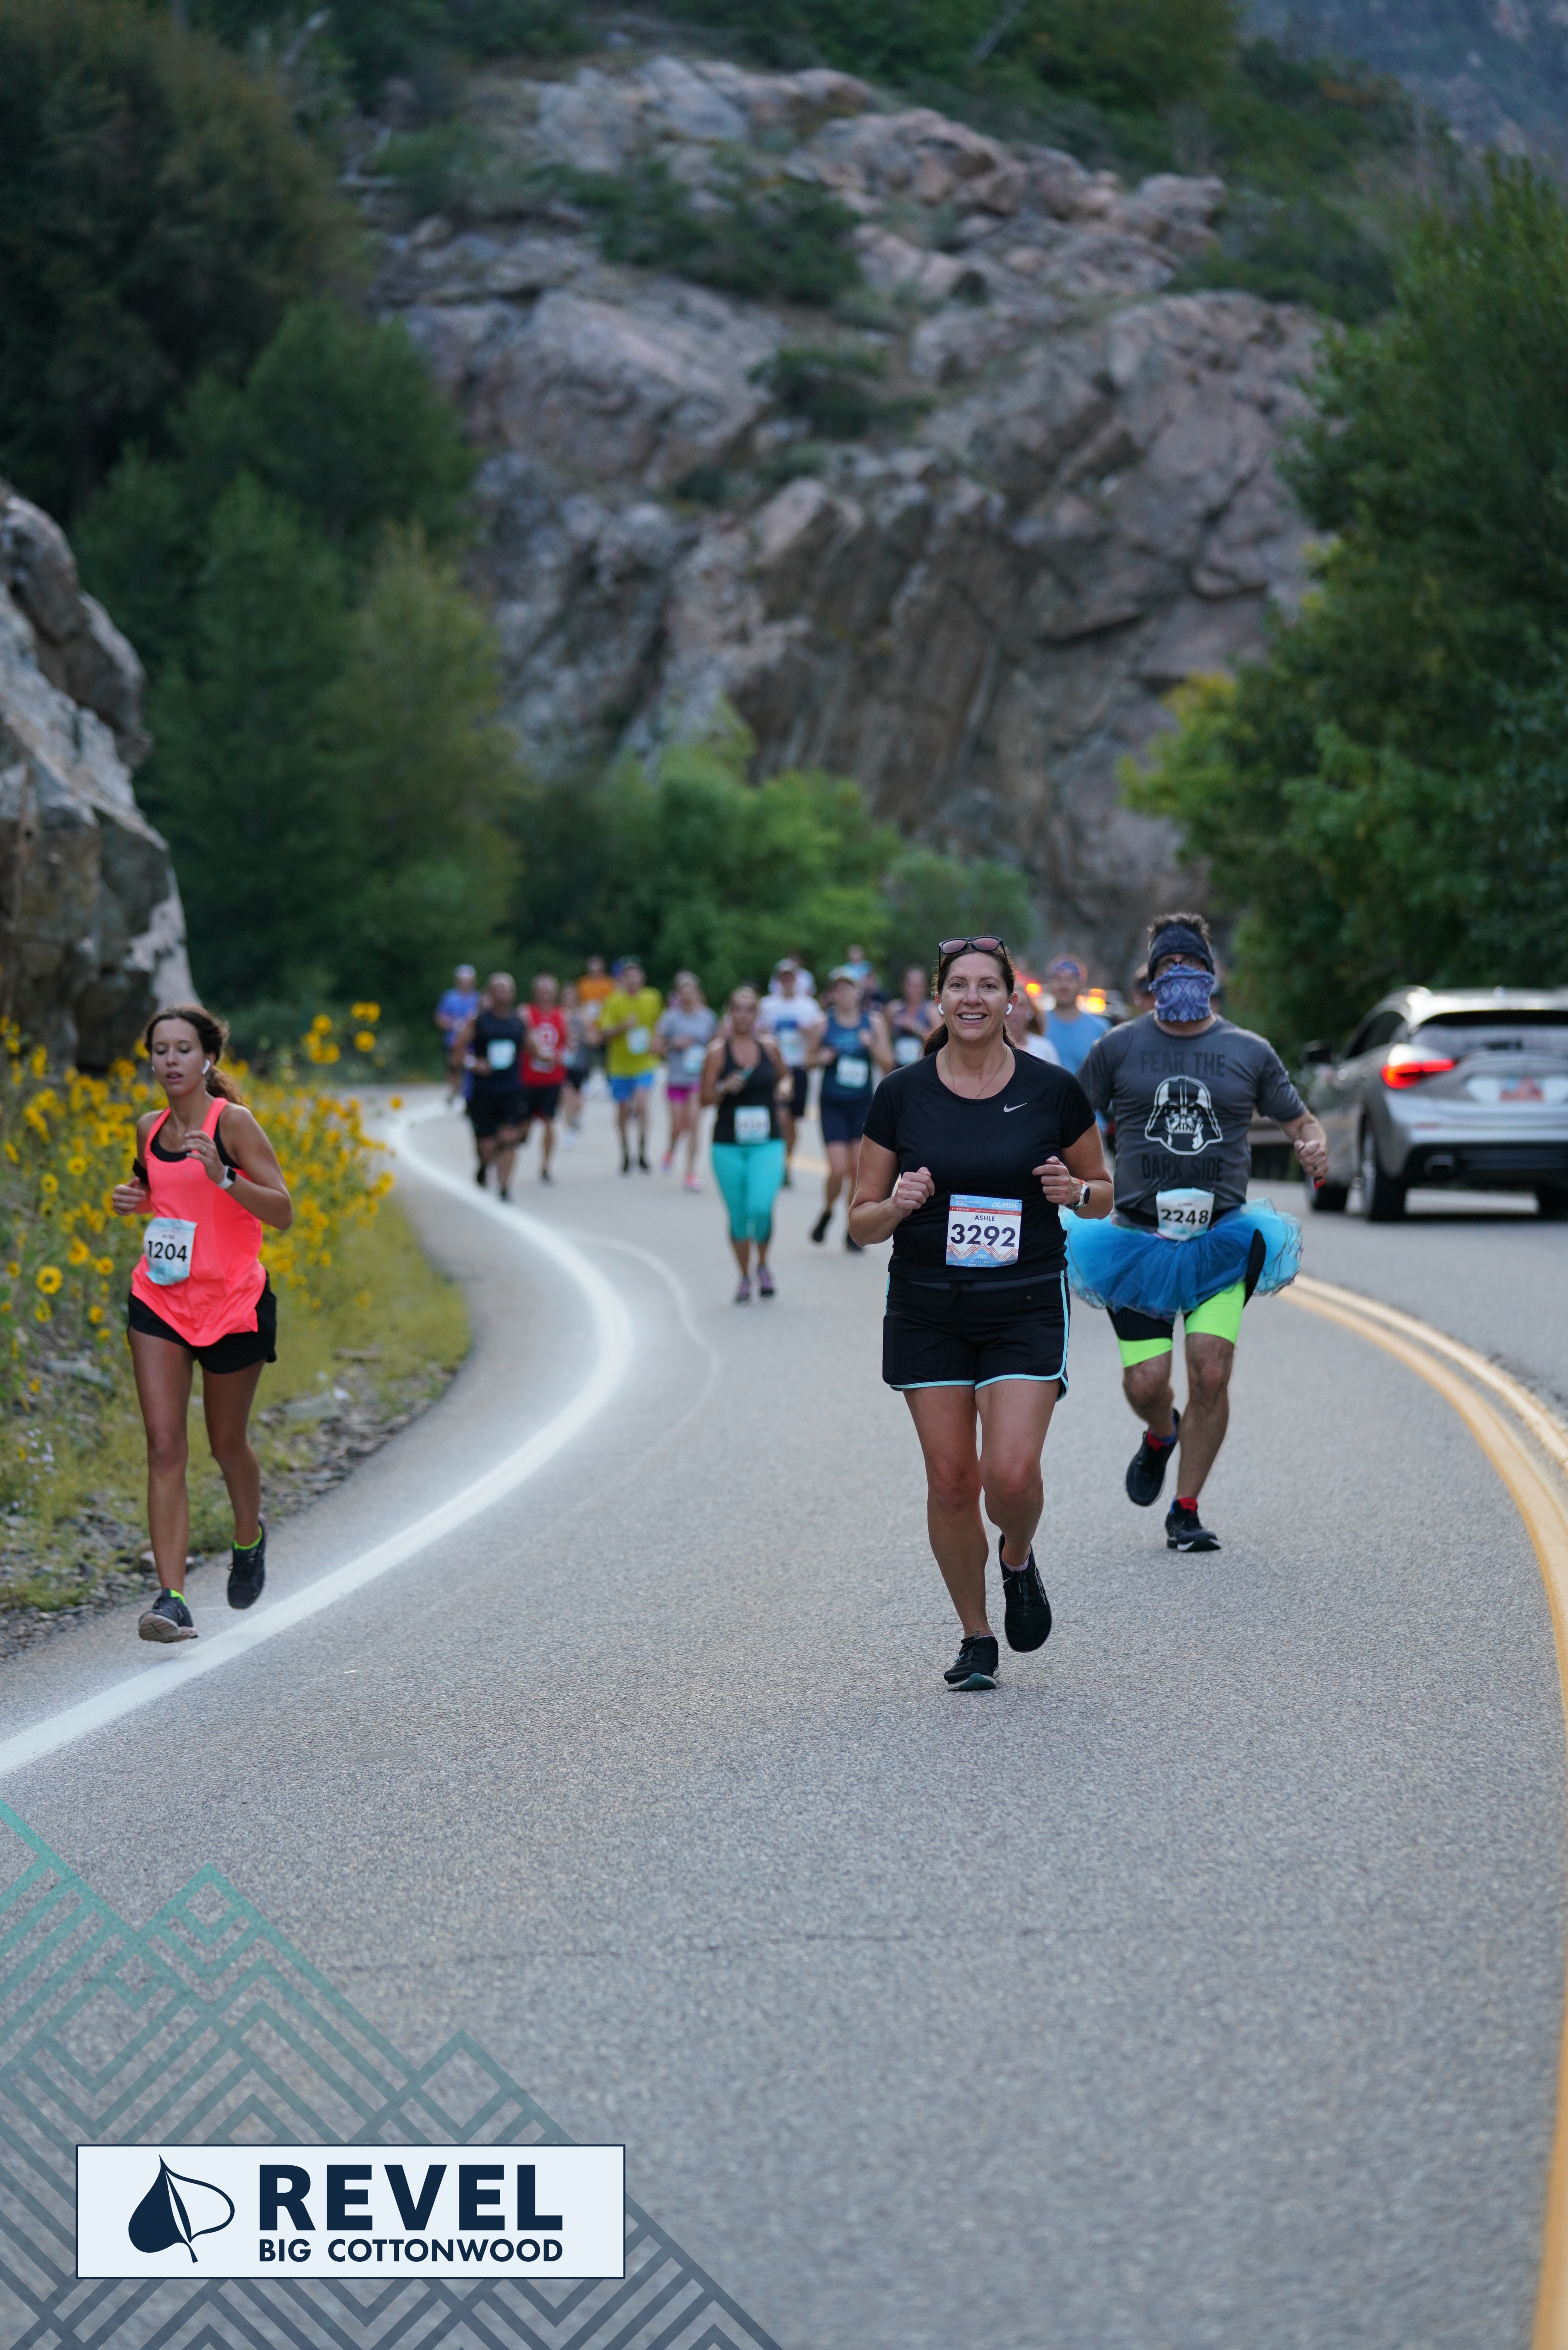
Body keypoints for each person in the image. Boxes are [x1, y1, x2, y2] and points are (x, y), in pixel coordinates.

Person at [849, 938, 1112, 1691]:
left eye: (987, 986)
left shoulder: (1051, 1090)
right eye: (958, 986)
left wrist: (1075, 1194)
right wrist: (895, 1205)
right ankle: (976, 1635)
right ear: (938, 1000)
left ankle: (1016, 1558)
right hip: (927, 1307)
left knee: (1011, 1474)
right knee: (950, 1481)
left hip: (1024, 1301)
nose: (972, 998)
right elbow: (860, 1221)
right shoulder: (900, 1094)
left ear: (1010, 1001)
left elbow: (1103, 1192)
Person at [1069, 912, 1328, 1553]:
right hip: (1136, 1242)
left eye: (1190, 965)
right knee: (1146, 1382)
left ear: (1211, 976)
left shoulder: (1249, 1051)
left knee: (1210, 1370)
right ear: (1151, 978)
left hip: (1222, 1240)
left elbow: (1301, 1121)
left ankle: (1184, 1509)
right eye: (1168, 966)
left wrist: (1313, 1143)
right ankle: (1162, 1432)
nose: (1179, 974)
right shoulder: (1117, 1048)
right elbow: (1066, 1120)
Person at [112, 1005, 294, 1644]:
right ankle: (172, 1599)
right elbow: (162, 1189)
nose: (170, 1060)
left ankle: (249, 1538)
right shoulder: (149, 1127)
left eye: (183, 1049)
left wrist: (225, 1176)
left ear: (207, 1057)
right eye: (160, 1049)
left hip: (231, 1303)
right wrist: (135, 1196)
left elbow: (282, 1211)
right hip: (161, 1299)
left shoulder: (233, 1124)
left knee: (226, 1444)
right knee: (164, 1445)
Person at [701, 986, 792, 1302]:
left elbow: (785, 1076)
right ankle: (744, 1276)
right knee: (739, 1215)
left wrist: (784, 1088)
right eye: (738, 1009)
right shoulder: (717, 1052)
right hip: (728, 1145)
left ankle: (763, 1264)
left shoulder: (769, 1047)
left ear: (757, 1014)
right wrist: (723, 1087)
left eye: (750, 1009)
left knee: (761, 1207)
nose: (743, 1015)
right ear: (730, 1013)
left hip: (767, 1142)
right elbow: (704, 1098)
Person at [810, 969, 891, 1251]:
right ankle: (827, 1210)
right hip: (832, 1104)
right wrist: (819, 1058)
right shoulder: (823, 1024)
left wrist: (872, 1046)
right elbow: (807, 1060)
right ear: (833, 994)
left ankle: (850, 1227)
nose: (845, 994)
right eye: (839, 989)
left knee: (857, 1173)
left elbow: (888, 1064)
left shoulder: (874, 1023)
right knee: (837, 1169)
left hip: (862, 1105)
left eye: (849, 988)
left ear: (859, 992)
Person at [460, 973, 528, 1200]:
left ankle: (505, 1187)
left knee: (510, 1139)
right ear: (490, 993)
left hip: (511, 1089)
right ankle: (484, 1165)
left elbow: (534, 1048)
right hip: (484, 1091)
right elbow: (458, 1052)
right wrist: (473, 1064)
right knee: (488, 1144)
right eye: (498, 989)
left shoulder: (519, 1022)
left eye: (507, 989)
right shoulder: (478, 1021)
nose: (503, 994)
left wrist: (549, 1057)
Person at [757, 960, 824, 1182]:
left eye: (791, 977)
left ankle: (786, 1163)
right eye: (783, 977)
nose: (787, 981)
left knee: (792, 1122)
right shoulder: (768, 1006)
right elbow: (757, 1034)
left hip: (798, 1068)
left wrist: (807, 1033)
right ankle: (776, 1163)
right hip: (775, 1068)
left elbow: (818, 1036)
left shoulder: (809, 1007)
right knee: (780, 1116)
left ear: (797, 980)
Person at [600, 957, 665, 1173]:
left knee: (642, 1105)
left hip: (645, 1063)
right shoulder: (613, 1001)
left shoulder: (652, 998)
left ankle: (643, 1150)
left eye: (636, 976)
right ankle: (626, 1152)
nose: (633, 981)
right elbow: (604, 1033)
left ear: (642, 978)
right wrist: (623, 1027)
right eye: (628, 977)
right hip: (620, 1066)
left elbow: (661, 1024)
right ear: (622, 980)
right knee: (623, 1111)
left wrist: (658, 1041)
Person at [657, 972, 717, 1189]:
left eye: (691, 992)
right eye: (683, 993)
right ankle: (671, 1149)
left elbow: (716, 1045)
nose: (687, 997)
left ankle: (690, 1172)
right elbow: (656, 1047)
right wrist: (674, 1044)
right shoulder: (670, 1018)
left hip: (697, 1080)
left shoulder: (708, 1018)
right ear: (678, 995)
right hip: (676, 1079)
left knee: (694, 1124)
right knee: (678, 1126)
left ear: (697, 994)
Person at [521, 971, 569, 1184]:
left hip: (553, 1078)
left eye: (549, 991)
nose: (545, 995)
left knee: (550, 1122)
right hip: (528, 1078)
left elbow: (569, 1043)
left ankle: (546, 1166)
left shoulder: (562, 1015)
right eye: (541, 991)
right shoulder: (526, 1013)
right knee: (522, 1127)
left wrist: (563, 1055)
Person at [1043, 954, 1108, 1077]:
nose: (1064, 986)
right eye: (1058, 980)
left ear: (1082, 985)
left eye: (1070, 980)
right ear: (1050, 984)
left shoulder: (1100, 1029)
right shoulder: (1037, 1024)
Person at [435, 964, 479, 1103]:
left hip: (472, 1042)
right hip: (453, 1040)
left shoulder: (477, 998)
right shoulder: (450, 998)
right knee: (453, 1066)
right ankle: (455, 1088)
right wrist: (453, 1024)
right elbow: (440, 1018)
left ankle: (467, 1091)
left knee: (470, 1066)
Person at [886, 964, 941, 1070]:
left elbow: (939, 1042)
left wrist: (916, 1028)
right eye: (911, 985)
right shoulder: (894, 1009)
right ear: (903, 986)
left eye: (918, 986)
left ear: (924, 988)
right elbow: (884, 1038)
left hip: (923, 1066)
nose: (914, 990)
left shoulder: (931, 1010)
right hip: (897, 1067)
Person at [559, 982, 591, 1144]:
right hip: (564, 1063)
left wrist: (583, 1032)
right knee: (567, 1096)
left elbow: (592, 1038)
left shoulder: (582, 1016)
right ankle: (569, 1128)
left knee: (578, 1100)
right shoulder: (558, 1015)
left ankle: (576, 1119)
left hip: (580, 1062)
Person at [1005, 991, 1061, 1064]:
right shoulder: (993, 1048)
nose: (1015, 1012)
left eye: (1021, 1006)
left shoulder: (1044, 1049)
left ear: (1030, 1012)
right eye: (1010, 1005)